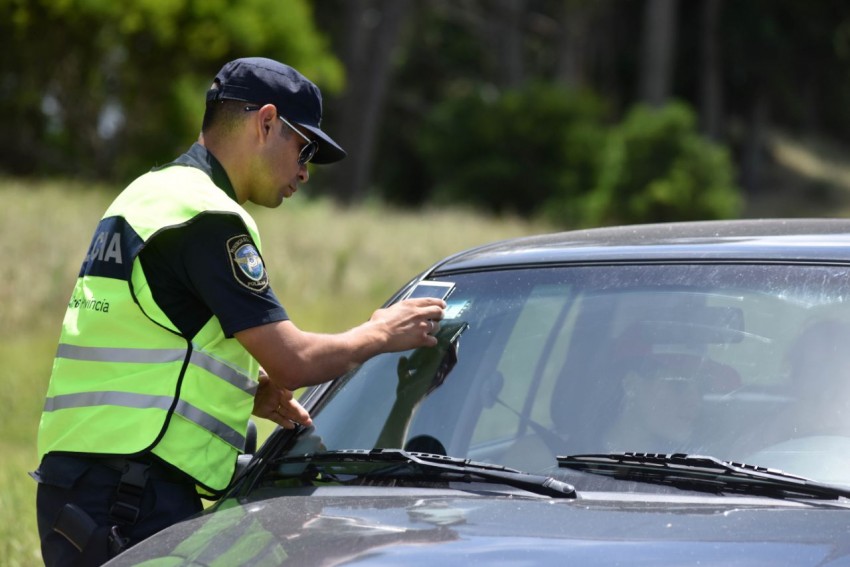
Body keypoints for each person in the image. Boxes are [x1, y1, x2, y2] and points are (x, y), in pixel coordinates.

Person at [32, 57, 446, 566]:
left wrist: (247, 392)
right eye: (304, 146)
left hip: (82, 489)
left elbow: (150, 334)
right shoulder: (208, 217)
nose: (305, 171)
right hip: (132, 496)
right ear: (266, 122)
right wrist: (380, 332)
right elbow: (294, 361)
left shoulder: (148, 194)